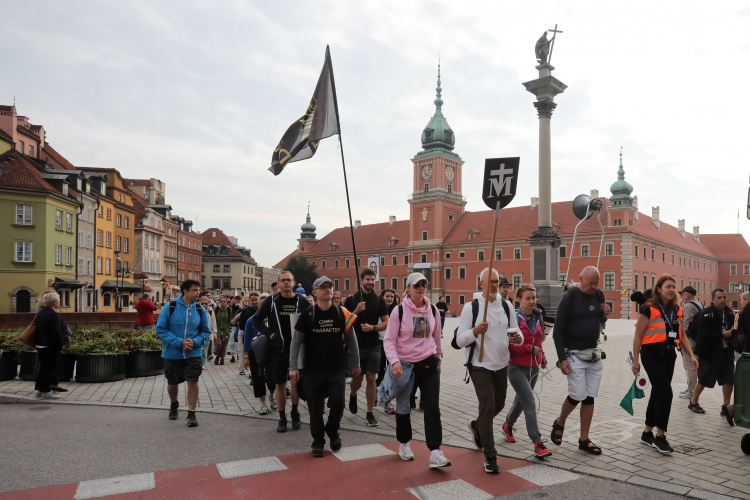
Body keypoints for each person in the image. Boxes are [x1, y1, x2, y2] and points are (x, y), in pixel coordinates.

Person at [456, 270, 526, 474]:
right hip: (479, 364)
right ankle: (490, 456)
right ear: (481, 283)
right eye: (491, 282)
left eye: (497, 282)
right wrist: (475, 332)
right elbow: (460, 340)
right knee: (487, 406)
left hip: (501, 363)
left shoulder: (506, 305)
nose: (495, 285)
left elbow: (516, 330)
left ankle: (477, 425)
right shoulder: (472, 307)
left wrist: (519, 338)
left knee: (500, 403)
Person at [383, 272, 451, 468]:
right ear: (408, 288)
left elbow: (437, 338)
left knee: (432, 408)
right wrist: (394, 361)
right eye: (416, 285)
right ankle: (404, 444)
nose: (421, 287)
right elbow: (389, 340)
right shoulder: (399, 311)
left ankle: (435, 452)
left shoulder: (434, 310)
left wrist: (438, 358)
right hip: (405, 367)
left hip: (428, 365)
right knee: (404, 408)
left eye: (424, 284)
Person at [291, 276, 360, 456]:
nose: (328, 289)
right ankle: (318, 442)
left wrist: (356, 363)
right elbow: (296, 342)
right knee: (316, 409)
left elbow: (352, 341)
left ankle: (332, 429)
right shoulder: (308, 314)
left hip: (336, 368)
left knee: (338, 403)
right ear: (314, 292)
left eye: (330, 287)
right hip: (313, 370)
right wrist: (293, 367)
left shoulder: (341, 312)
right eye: (323, 287)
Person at [631, 275, 698, 453]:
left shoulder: (677, 309)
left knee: (658, 391)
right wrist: (636, 363)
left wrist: (691, 354)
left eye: (673, 287)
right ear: (658, 289)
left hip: (669, 354)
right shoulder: (648, 309)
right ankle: (660, 437)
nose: (671, 289)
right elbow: (638, 337)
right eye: (668, 286)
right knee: (665, 392)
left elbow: (681, 334)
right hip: (651, 353)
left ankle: (647, 433)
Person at [550, 266, 611, 455]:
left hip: (593, 352)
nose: (593, 287)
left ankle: (584, 439)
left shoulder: (599, 294)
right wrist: (562, 359)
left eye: (596, 283)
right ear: (580, 278)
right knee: (577, 394)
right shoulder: (570, 296)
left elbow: (600, 324)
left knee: (590, 396)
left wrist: (604, 315)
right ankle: (560, 422)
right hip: (573, 353)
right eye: (590, 282)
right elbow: (557, 331)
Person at [252, 270, 308, 432]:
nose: (286, 283)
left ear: (293, 282)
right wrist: (269, 334)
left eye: (289, 280)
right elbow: (256, 319)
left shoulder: (302, 301)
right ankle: (282, 417)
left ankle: (295, 412)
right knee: (280, 384)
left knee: (295, 382)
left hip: (297, 349)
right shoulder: (271, 300)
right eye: (283, 280)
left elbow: (311, 320)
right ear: (278, 283)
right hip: (277, 350)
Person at [504, 284, 552, 459]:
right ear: (519, 300)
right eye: (527, 298)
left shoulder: (538, 316)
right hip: (516, 367)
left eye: (533, 298)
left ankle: (507, 425)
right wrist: (530, 349)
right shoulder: (514, 318)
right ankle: (537, 442)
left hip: (534, 367)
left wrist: (542, 356)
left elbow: (539, 341)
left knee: (521, 401)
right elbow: (510, 345)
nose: (532, 301)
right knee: (530, 401)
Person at [156, 280, 211, 427]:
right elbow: (160, 329)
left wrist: (195, 342)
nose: (198, 293)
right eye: (195, 290)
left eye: (199, 290)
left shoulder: (200, 309)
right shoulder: (170, 307)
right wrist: (179, 342)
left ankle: (191, 413)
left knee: (193, 380)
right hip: (173, 353)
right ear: (185, 291)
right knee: (172, 382)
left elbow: (206, 332)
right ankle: (174, 404)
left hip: (193, 353)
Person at [345, 268, 389, 427]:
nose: (370, 282)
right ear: (361, 280)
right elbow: (345, 323)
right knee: (357, 377)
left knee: (371, 376)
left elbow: (386, 322)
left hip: (373, 345)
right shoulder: (351, 299)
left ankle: (370, 413)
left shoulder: (379, 300)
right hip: (356, 346)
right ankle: (353, 393)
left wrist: (373, 328)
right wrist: (356, 310)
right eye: (367, 279)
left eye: (372, 279)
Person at [689, 288, 735, 414]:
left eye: (724, 297)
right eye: (719, 298)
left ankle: (726, 406)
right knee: (704, 378)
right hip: (709, 352)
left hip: (726, 350)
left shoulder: (729, 313)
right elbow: (703, 334)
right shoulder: (706, 313)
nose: (722, 300)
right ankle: (693, 402)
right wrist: (722, 334)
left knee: (729, 378)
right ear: (713, 299)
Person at [33, 292, 67, 400]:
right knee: (50, 368)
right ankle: (46, 391)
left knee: (43, 367)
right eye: (59, 301)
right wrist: (62, 343)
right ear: (55, 302)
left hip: (40, 344)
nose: (60, 303)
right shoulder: (54, 314)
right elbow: (56, 331)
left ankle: (40, 389)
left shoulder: (40, 313)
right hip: (50, 346)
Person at [678, 286, 702, 400]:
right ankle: (690, 388)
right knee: (692, 365)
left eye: (682, 294)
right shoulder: (699, 304)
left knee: (690, 365)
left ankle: (692, 391)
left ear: (687, 295)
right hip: (697, 339)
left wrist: (683, 339)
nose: (681, 296)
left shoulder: (688, 306)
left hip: (690, 340)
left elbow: (686, 323)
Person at [378, 289, 398, 414]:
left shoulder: (396, 311)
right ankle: (377, 393)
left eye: (391, 296)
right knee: (380, 373)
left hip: (392, 346)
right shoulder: (377, 310)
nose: (389, 299)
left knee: (390, 375)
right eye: (387, 296)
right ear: (382, 297)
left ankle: (387, 401)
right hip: (379, 343)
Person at [232, 293, 259, 376]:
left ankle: (253, 371)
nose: (254, 302)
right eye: (252, 300)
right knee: (244, 351)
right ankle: (245, 369)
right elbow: (241, 325)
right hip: (245, 333)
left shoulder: (263, 309)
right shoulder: (245, 310)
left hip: (259, 334)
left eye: (256, 300)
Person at [199, 295, 217, 370]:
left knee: (205, 350)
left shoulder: (210, 311)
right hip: (198, 334)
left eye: (206, 303)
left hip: (207, 334)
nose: (204, 305)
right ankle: (197, 363)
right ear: (199, 303)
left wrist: (215, 332)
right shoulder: (197, 310)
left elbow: (213, 321)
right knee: (199, 349)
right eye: (202, 303)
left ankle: (202, 364)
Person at [213, 296, 232, 365]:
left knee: (224, 345)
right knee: (219, 344)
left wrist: (229, 328)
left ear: (227, 302)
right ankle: (217, 356)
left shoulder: (229, 309)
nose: (223, 303)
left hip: (226, 330)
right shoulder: (216, 309)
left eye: (225, 301)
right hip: (217, 329)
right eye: (222, 301)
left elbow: (231, 320)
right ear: (219, 302)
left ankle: (221, 358)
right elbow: (213, 318)